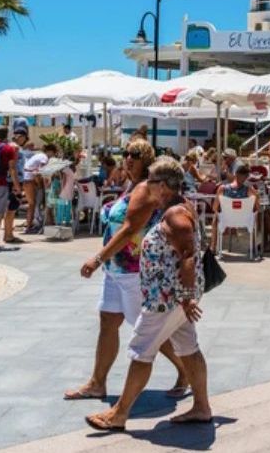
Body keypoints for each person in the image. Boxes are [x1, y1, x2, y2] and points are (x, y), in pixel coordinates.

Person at [86, 157, 211, 431]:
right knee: (189, 348)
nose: (146, 186)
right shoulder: (179, 207)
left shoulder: (175, 215)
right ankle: (202, 407)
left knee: (141, 351)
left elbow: (188, 255)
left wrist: (187, 296)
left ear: (163, 186)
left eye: (151, 181)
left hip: (166, 299)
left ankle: (119, 414)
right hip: (174, 297)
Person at [66, 139, 188, 402]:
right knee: (108, 322)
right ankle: (97, 383)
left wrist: (97, 259)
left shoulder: (145, 188)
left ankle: (186, 368)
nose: (128, 158)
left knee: (150, 331)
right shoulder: (130, 185)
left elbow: (130, 229)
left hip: (134, 271)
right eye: (126, 153)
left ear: (146, 159)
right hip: (116, 269)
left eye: (135, 154)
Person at [212, 160, 259, 257]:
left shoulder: (222, 189)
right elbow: (257, 208)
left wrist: (221, 215)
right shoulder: (249, 190)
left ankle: (213, 247)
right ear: (246, 177)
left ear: (235, 174)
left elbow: (215, 208)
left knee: (215, 218)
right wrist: (256, 195)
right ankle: (253, 247)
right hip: (244, 221)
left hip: (226, 220)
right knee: (254, 217)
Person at [22, 142, 51, 234]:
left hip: (26, 179)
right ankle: (29, 226)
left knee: (32, 204)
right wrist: (42, 185)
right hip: (29, 180)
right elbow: (42, 171)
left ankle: (30, 225)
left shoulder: (38, 155)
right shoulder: (44, 157)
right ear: (50, 151)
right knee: (32, 204)